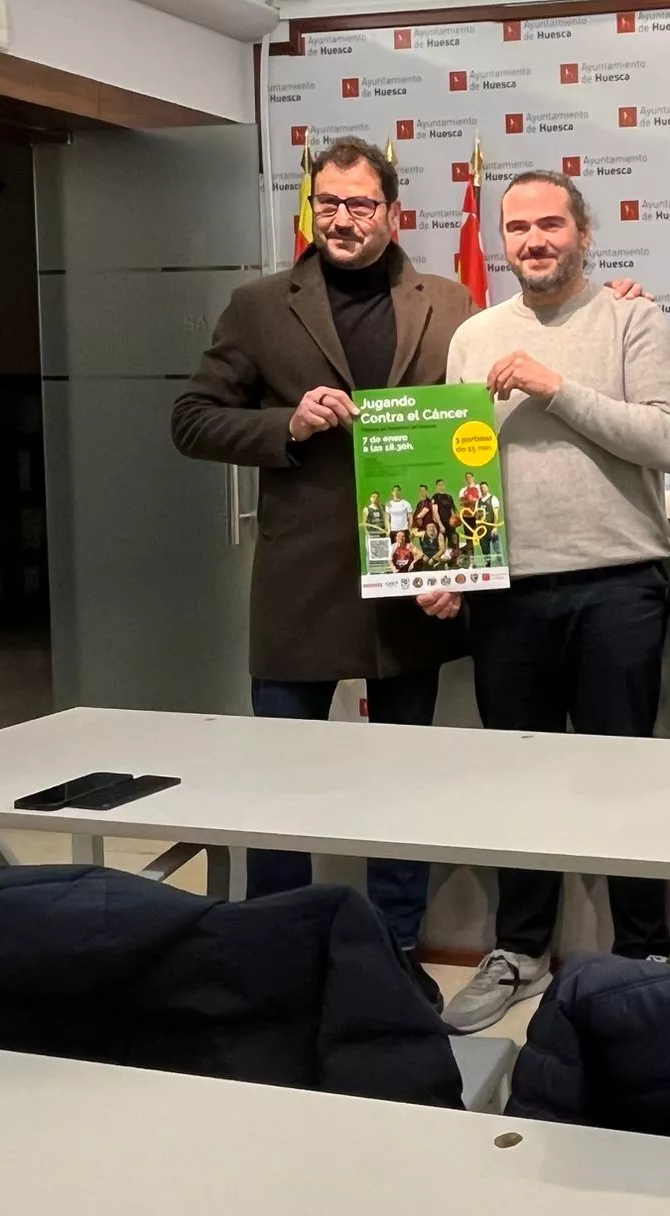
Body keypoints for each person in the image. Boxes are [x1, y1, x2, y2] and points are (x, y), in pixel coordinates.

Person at [170, 135, 472, 998]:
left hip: (415, 582)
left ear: (392, 211)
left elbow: (474, 429)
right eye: (328, 204)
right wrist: (286, 427)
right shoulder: (261, 306)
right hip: (300, 587)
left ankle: (396, 956)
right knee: (281, 788)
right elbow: (191, 419)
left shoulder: (448, 303)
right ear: (312, 207)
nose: (343, 220)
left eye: (361, 205)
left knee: (401, 787)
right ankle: (276, 957)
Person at [423, 169, 670, 1031]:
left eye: (550, 225)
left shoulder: (632, 318)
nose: (534, 241)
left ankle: (646, 955)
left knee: (626, 785)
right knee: (520, 782)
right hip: (508, 594)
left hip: (618, 583)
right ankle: (520, 953)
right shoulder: (472, 336)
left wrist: (555, 388)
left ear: (584, 231)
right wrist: (445, 566)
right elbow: (454, 467)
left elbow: (667, 440)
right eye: (518, 228)